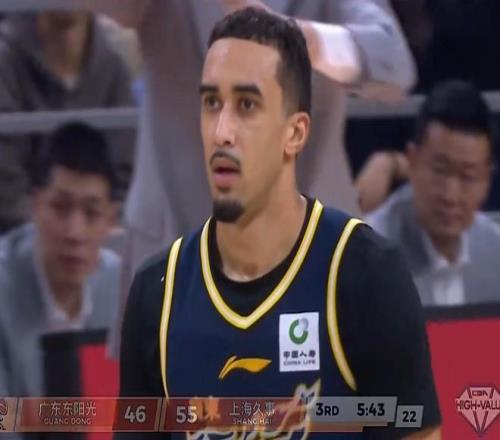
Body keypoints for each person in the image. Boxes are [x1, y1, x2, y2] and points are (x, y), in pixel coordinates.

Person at [117, 9, 441, 440]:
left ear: (295, 133)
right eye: (211, 103)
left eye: (246, 105)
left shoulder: (367, 276)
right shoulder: (156, 292)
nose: (222, 132)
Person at [0, 123, 120, 404]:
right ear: (35, 206)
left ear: (111, 220)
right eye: (60, 208)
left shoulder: (120, 288)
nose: (75, 233)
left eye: (92, 213)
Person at [367, 80, 500, 306]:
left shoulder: (494, 251)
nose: (451, 195)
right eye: (440, 170)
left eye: (468, 176)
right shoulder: (369, 253)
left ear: (487, 179)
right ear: (412, 161)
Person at [0, 10, 133, 233]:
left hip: (103, 243)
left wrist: (99, 235)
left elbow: (125, 178)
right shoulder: (6, 62)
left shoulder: (114, 66)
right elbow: (6, 186)